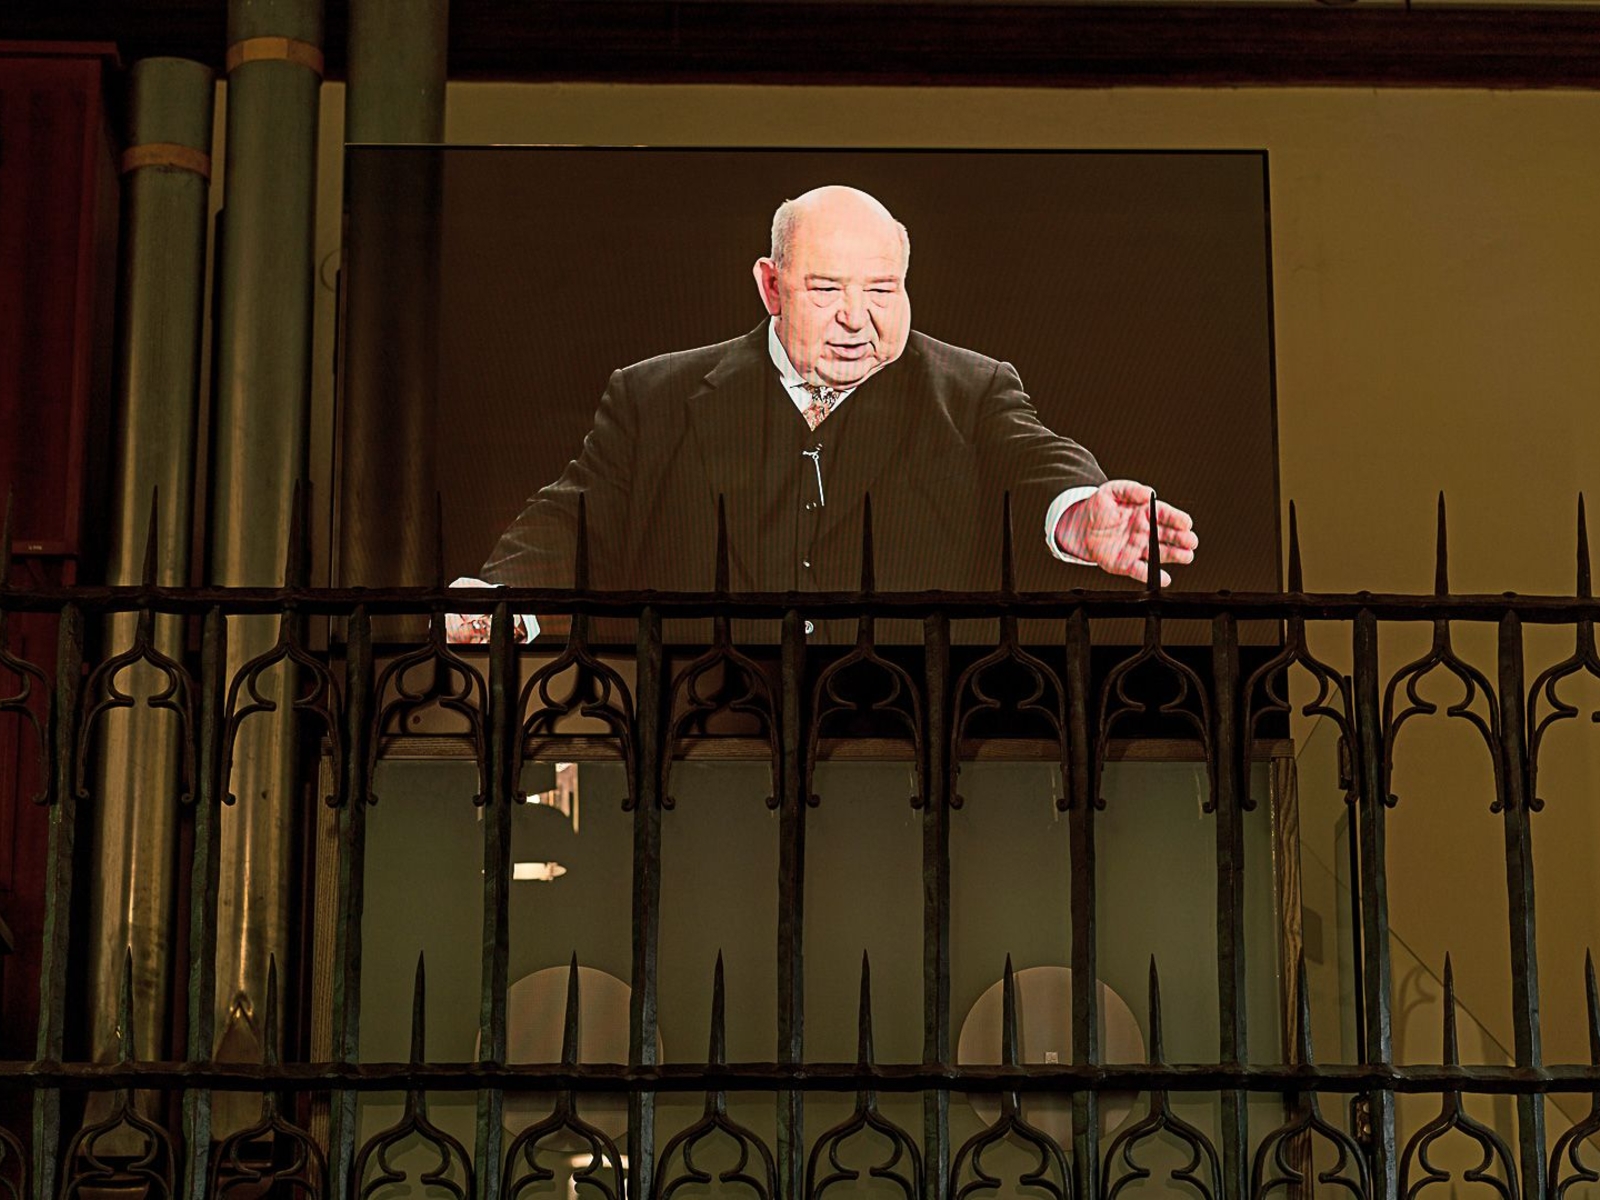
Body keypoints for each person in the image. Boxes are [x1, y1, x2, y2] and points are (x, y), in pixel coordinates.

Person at [447, 185, 1196, 643]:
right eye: (827, 289)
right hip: (702, 754)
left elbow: (1037, 458)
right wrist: (499, 599)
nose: (856, 318)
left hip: (907, 759)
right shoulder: (653, 397)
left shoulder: (972, 389)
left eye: (882, 290)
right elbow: (575, 515)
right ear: (771, 287)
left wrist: (1075, 512)